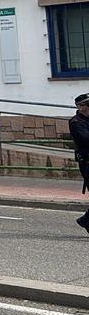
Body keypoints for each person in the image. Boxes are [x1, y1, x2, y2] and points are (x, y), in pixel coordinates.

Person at [70, 93, 89, 235]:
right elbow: (85, 139)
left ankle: (86, 221)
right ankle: (86, 221)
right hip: (87, 163)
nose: (85, 108)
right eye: (83, 105)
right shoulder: (76, 122)